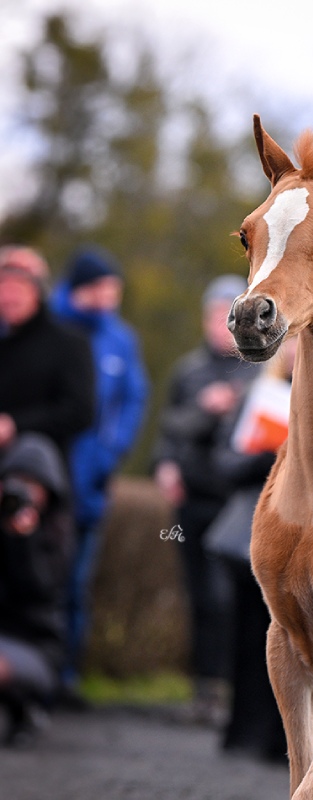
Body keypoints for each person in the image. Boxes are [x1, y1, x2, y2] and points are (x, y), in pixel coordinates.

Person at [153, 274, 258, 726]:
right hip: (189, 505)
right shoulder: (188, 371)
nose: (220, 323)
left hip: (235, 504)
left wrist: (230, 408)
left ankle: (235, 690)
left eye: (227, 315)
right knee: (198, 595)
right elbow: (169, 429)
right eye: (213, 315)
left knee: (229, 597)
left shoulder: (257, 368)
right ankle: (204, 688)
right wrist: (165, 465)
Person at [50, 246, 149, 703]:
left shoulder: (119, 338)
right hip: (47, 474)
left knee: (75, 582)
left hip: (90, 481)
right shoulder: (50, 326)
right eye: (105, 289)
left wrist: (112, 452)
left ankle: (63, 674)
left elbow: (133, 399)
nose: (112, 298)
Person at [207, 337, 296, 762]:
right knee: (245, 636)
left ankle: (282, 739)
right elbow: (223, 464)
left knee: (294, 643)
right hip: (250, 534)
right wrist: (264, 458)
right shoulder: (256, 396)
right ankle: (241, 731)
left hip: (301, 542)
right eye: (290, 342)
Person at [0, 433, 75, 746]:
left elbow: (40, 592)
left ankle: (25, 709)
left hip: (34, 645)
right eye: (17, 480)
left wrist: (24, 542)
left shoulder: (56, 537)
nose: (24, 491)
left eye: (34, 483)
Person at [0, 245, 95, 460]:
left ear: (38, 292)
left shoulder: (69, 344)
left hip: (41, 472)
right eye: (3, 288)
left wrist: (15, 425)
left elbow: (80, 412)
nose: (9, 298)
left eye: (18, 288)